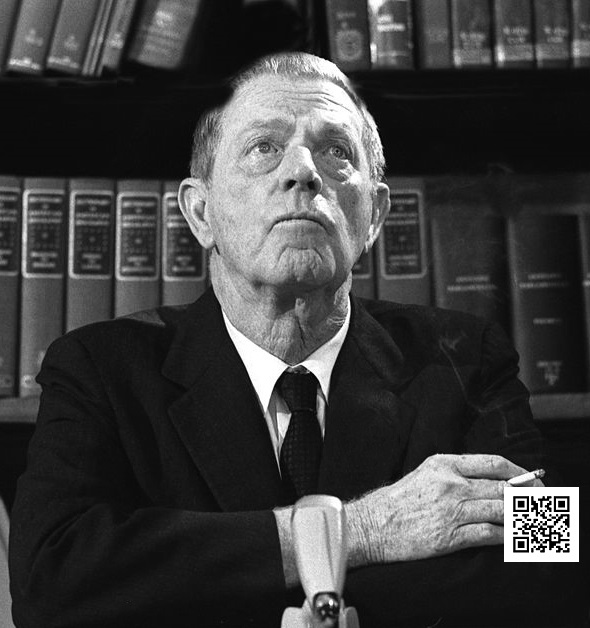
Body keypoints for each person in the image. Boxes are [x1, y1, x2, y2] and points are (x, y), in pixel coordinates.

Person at [8, 52, 586, 628]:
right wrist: (362, 531)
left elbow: (556, 557)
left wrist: (209, 583)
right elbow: (51, 582)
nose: (304, 171)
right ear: (201, 213)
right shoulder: (98, 368)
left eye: (336, 151)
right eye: (264, 147)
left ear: (375, 216)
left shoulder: (470, 357)